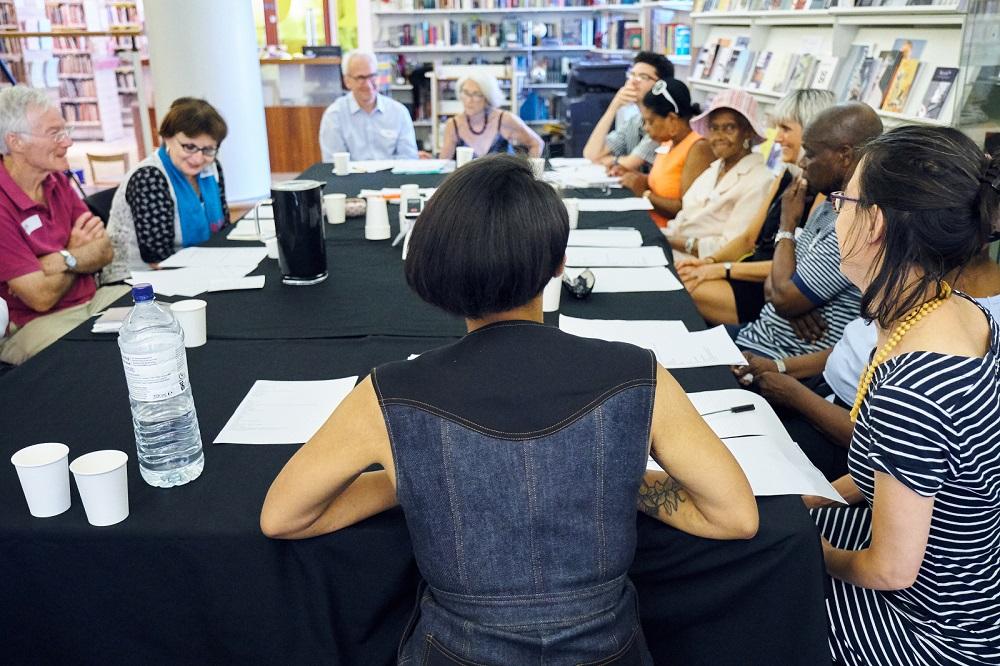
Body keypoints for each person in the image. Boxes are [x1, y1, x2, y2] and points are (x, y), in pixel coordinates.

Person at [260, 154, 757, 664]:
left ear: (433, 262)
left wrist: (418, 477)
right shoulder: (638, 374)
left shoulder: (389, 393)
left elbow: (284, 517)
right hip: (611, 652)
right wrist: (612, 478)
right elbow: (735, 516)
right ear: (559, 263)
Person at [807, 126, 1000, 665]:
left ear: (876, 222)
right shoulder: (958, 308)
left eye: (844, 199)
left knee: (753, 585)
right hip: (969, 586)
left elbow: (890, 570)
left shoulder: (915, 385)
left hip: (936, 629)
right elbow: (905, 474)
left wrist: (810, 554)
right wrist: (815, 494)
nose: (835, 213)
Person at [737, 248, 1000, 481]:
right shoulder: (917, 276)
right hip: (818, 397)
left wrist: (795, 395)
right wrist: (781, 367)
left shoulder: (960, 325)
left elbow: (885, 443)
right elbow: (851, 350)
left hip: (841, 436)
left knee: (742, 466)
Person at [734, 103, 882, 360]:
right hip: (761, 337)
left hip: (779, 356)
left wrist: (787, 225)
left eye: (811, 153)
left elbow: (780, 295)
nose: (803, 162)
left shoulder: (856, 224)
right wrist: (790, 303)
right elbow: (774, 288)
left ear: (845, 156)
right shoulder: (830, 204)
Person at [677, 89, 836, 324]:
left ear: (812, 131)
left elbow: (800, 265)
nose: (777, 137)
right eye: (777, 128)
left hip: (763, 287)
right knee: (683, 277)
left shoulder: (823, 195)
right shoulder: (784, 176)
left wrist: (721, 269)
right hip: (746, 272)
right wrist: (708, 262)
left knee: (682, 287)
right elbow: (748, 239)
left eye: (786, 129)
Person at [0, 86, 123, 366]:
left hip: (93, 300)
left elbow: (104, 250)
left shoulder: (56, 181)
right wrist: (74, 252)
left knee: (158, 321)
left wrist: (60, 260)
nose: (66, 142)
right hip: (34, 324)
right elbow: (40, 298)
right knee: (95, 364)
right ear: (15, 142)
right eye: (55, 133)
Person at [102, 98, 229, 284]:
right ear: (167, 137)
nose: (198, 158)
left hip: (194, 268)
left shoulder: (212, 168)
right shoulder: (149, 177)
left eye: (209, 149)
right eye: (189, 147)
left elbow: (223, 228)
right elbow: (157, 256)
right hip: (137, 280)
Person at [664, 89, 774, 261]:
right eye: (714, 128)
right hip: (671, 251)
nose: (719, 136)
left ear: (748, 132)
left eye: (729, 128)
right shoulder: (713, 170)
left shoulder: (760, 180)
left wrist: (673, 241)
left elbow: (731, 246)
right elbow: (684, 217)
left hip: (702, 266)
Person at [618, 78, 714, 228]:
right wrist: (633, 177)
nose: (646, 128)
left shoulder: (699, 147)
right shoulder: (668, 142)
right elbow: (661, 184)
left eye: (650, 122)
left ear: (672, 119)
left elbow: (685, 209)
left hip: (670, 236)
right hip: (650, 223)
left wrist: (645, 194)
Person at [318, 50, 418, 161]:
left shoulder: (399, 112)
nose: (368, 84)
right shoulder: (334, 116)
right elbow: (334, 163)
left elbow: (409, 159)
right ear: (347, 81)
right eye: (361, 78)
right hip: (351, 178)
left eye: (372, 76)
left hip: (391, 177)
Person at [582, 52, 674, 171]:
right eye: (632, 75)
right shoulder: (635, 122)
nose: (633, 81)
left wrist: (610, 161)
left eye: (643, 77)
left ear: (660, 86)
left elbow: (630, 162)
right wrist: (613, 107)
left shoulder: (664, 123)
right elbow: (591, 155)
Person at [439, 71, 544, 159]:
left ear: (487, 97)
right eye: (466, 92)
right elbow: (443, 164)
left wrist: (528, 175)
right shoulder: (453, 125)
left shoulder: (505, 119)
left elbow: (537, 144)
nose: (469, 100)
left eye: (476, 94)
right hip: (469, 184)